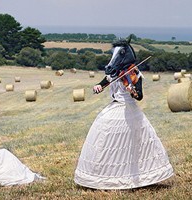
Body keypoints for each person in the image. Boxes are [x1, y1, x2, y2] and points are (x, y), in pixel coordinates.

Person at [74, 39, 174, 190]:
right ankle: (105, 174)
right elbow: (104, 83)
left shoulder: (134, 73)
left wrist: (132, 91)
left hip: (128, 109)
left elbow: (139, 96)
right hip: (114, 106)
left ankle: (135, 176)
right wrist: (98, 87)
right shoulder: (114, 72)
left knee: (133, 146)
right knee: (104, 139)